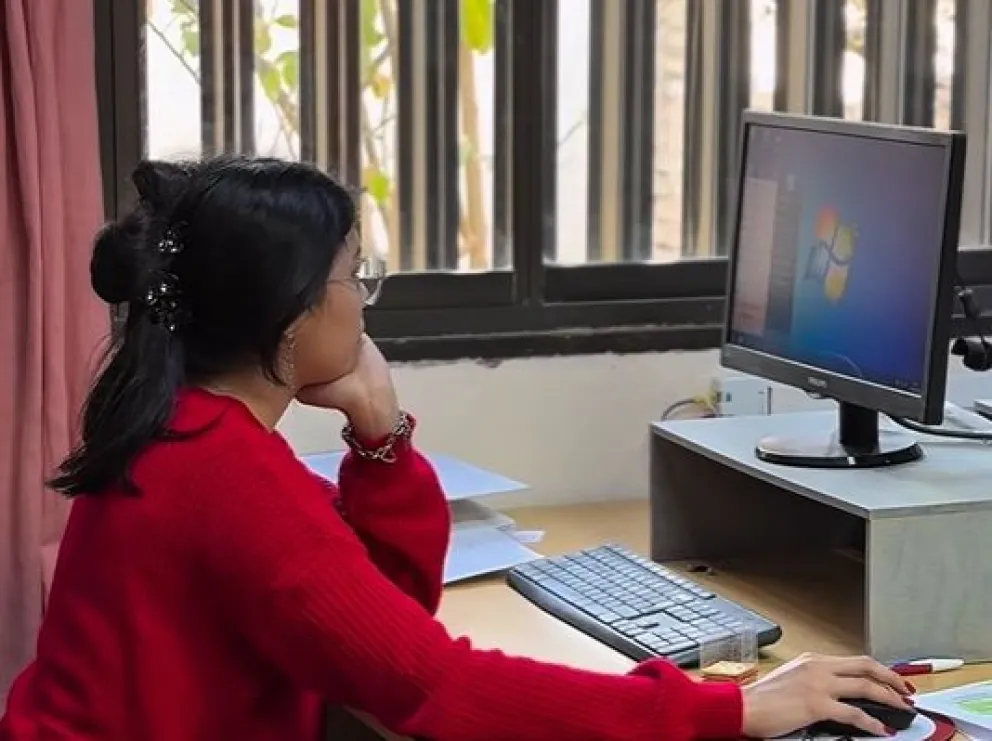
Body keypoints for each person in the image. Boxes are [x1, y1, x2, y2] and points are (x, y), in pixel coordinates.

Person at [0, 155, 915, 741]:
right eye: (351, 277)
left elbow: (378, 622)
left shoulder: (182, 429)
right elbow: (435, 690)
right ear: (287, 313)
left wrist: (379, 434)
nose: (365, 300)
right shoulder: (228, 476)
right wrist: (734, 707)